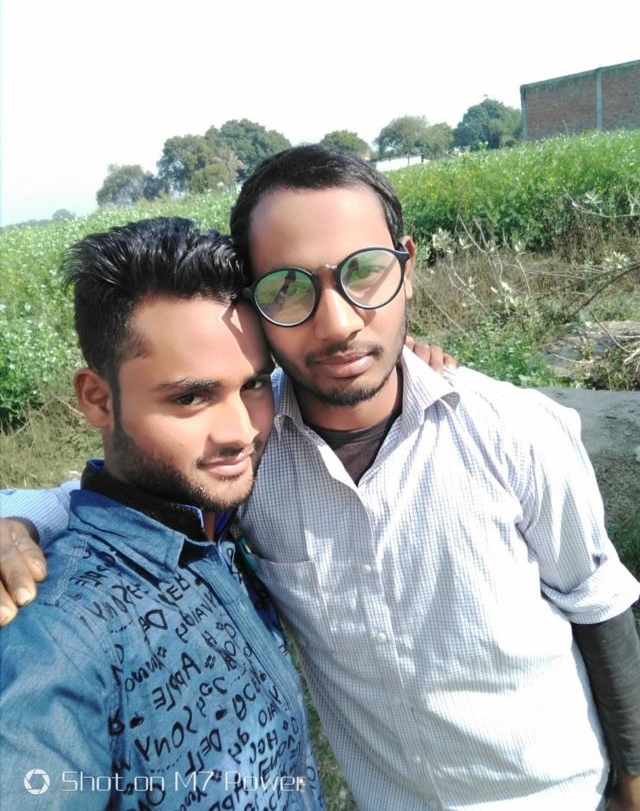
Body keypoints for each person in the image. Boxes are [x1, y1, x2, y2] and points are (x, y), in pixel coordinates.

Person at [1, 146, 640, 810]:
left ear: (407, 269)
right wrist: (18, 519)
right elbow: (129, 501)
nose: (338, 324)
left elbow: (597, 601)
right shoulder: (251, 454)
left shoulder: (515, 431)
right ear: (256, 306)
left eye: (365, 272)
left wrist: (631, 780)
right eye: (289, 287)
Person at [0, 217, 324, 809]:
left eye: (254, 385)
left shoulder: (214, 523)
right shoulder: (58, 631)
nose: (240, 431)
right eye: (190, 397)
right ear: (98, 399)